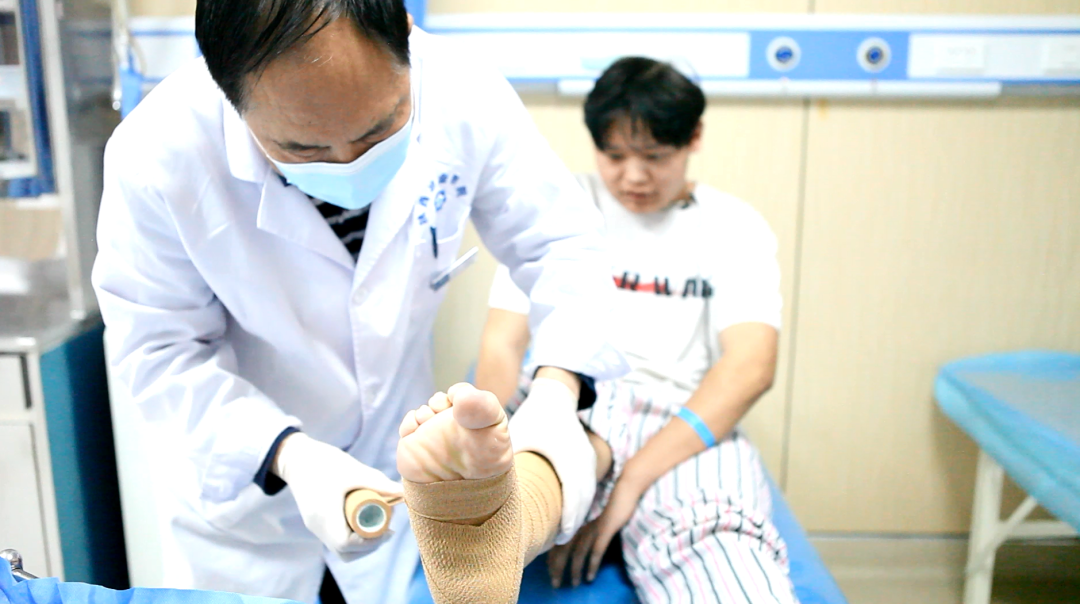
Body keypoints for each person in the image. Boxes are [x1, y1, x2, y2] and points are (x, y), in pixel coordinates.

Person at [91, 1, 628, 603]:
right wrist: (292, 457)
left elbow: (562, 245)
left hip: (396, 478)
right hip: (250, 518)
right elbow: (161, 353)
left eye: (380, 130)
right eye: (304, 149)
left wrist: (557, 394)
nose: (350, 166)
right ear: (225, 88)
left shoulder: (463, 92)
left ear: (405, 32)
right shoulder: (157, 155)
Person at [472, 57, 799, 603]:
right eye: (615, 156)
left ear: (693, 138)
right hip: (573, 402)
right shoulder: (558, 211)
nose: (633, 177)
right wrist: (491, 441)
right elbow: (503, 342)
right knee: (513, 509)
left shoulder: (733, 226)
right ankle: (526, 506)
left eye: (654, 157)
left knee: (719, 543)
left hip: (680, 425)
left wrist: (633, 479)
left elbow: (750, 367)